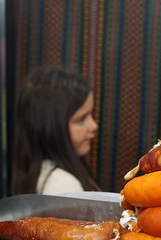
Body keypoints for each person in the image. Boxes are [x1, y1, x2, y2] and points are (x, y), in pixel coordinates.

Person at [9, 66, 100, 195]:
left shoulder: (36, 170)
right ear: (51, 128)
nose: (94, 125)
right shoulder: (63, 186)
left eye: (90, 114)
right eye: (81, 119)